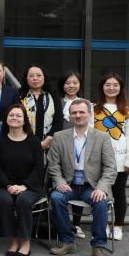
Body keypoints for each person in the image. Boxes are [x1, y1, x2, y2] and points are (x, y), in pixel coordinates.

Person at [48, 98, 117, 256]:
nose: (78, 115)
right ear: (70, 116)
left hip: (91, 186)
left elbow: (110, 167)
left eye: (81, 112)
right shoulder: (59, 137)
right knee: (56, 198)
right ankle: (67, 242)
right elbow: (53, 164)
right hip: (68, 185)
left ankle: (98, 246)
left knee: (100, 201)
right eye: (74, 113)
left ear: (89, 114)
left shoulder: (102, 137)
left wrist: (101, 188)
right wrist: (59, 181)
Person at [0, 104, 44, 256]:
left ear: (24, 120)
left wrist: (24, 186)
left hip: (30, 186)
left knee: (23, 201)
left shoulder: (34, 141)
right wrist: (8, 185)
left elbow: (39, 168)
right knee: (5, 200)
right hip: (3, 185)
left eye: (18, 115)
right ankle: (13, 240)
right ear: (6, 119)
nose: (15, 118)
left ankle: (25, 241)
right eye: (11, 115)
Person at [93, 73, 129, 241]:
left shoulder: (127, 110)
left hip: (120, 158)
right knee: (101, 193)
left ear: (121, 88)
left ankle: (118, 226)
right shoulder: (93, 108)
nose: (111, 88)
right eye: (107, 85)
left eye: (115, 85)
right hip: (98, 159)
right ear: (102, 87)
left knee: (119, 193)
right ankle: (104, 224)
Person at [58, 69, 85, 236]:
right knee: (60, 187)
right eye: (68, 83)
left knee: (79, 184)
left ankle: (77, 223)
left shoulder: (86, 104)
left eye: (75, 82)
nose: (71, 86)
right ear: (63, 85)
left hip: (80, 149)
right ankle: (61, 224)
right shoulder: (57, 102)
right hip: (60, 149)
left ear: (80, 84)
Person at [19, 64, 63, 151]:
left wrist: (48, 140)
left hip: (49, 144)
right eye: (31, 76)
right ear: (26, 79)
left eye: (39, 75)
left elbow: (58, 121)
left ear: (44, 78)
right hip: (24, 143)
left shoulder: (53, 95)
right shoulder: (19, 95)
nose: (35, 78)